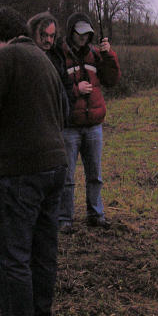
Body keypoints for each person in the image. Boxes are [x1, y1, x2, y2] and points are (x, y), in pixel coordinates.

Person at [0, 7, 68, 316]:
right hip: (55, 165)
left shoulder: (5, 58)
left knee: (12, 252)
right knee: (43, 248)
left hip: (19, 171)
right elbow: (64, 109)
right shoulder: (44, 58)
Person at [57, 12, 120, 232]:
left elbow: (112, 80)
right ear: (71, 33)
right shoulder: (59, 56)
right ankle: (65, 218)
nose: (83, 38)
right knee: (67, 177)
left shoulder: (96, 54)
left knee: (95, 175)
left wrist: (109, 55)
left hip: (93, 125)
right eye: (79, 34)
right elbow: (55, 89)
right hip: (69, 126)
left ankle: (96, 214)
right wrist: (76, 90)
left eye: (87, 34)